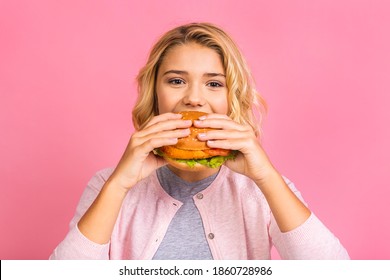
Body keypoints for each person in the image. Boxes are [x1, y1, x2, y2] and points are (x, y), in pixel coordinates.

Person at [50, 22, 349, 260]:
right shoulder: (108, 185)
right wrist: (118, 186)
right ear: (155, 94)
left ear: (231, 99)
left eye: (214, 84)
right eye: (176, 81)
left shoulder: (259, 190)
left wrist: (266, 177)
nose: (194, 98)